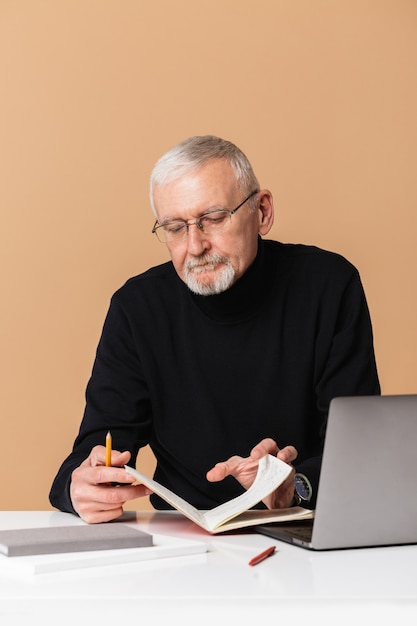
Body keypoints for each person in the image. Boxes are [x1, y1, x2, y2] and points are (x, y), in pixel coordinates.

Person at [49, 135, 380, 523]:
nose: (195, 245)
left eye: (213, 219)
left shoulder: (329, 286)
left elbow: (360, 449)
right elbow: (98, 445)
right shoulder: (137, 307)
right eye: (175, 227)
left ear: (263, 211)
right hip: (181, 542)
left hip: (305, 528)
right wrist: (79, 487)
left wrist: (295, 487)